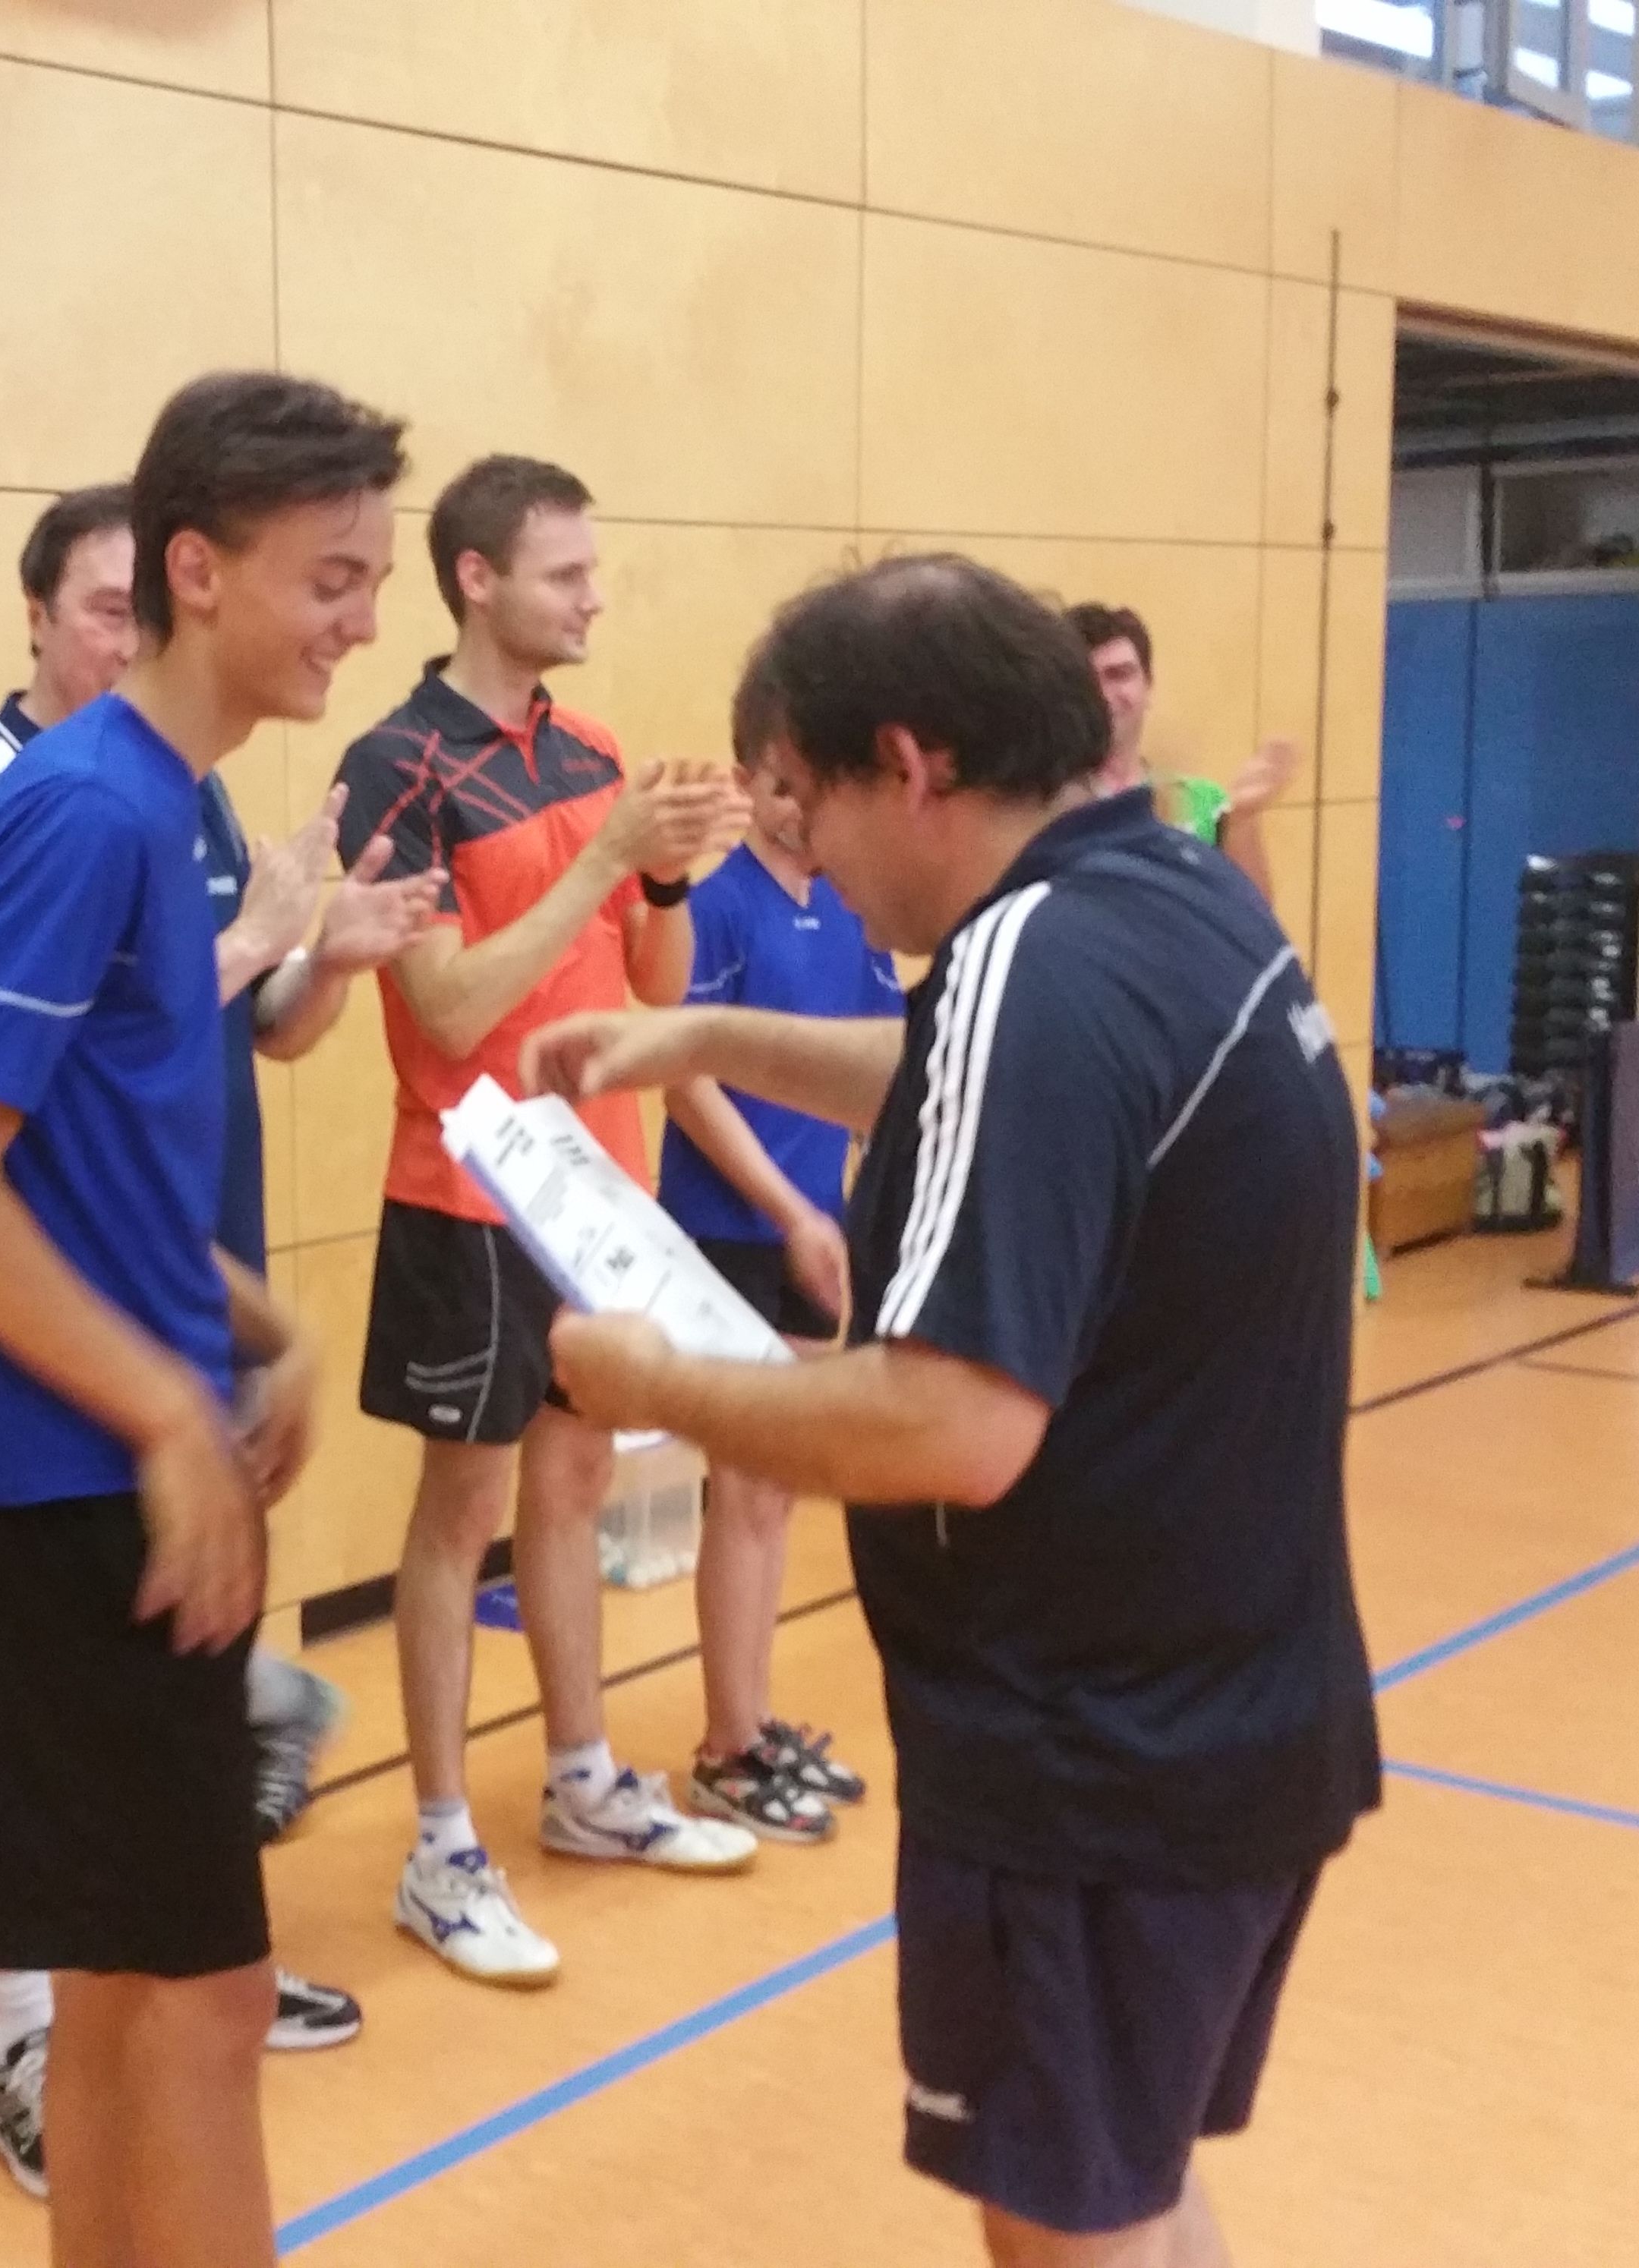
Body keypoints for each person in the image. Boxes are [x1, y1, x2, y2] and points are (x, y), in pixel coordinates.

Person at [522, 556, 1379, 2268]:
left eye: (806, 797)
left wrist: (653, 1388)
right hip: (1235, 1715)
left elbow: (950, 1427)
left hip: (1092, 1761)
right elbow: (975, 1094)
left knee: (1065, 2231)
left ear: (908, 765)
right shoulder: (1166, 891)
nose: (807, 847)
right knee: (1128, 2193)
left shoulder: (1032, 967)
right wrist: (699, 1035)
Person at [0, 482, 429, 2197]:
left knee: (159, 1994)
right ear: (196, 574)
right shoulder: (62, 804)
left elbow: (95, 1133)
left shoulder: (170, 799)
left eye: (371, 580)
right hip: (69, 1463)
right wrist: (164, 1415)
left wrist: (264, 1327)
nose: (357, 619)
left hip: (135, 1427)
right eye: (330, 578)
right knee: (184, 1997)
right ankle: (5, 2035)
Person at [332, 452, 758, 1991]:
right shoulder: (399, 765)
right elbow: (447, 1009)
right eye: (564, 573)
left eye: (592, 570)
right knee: (461, 1514)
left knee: (573, 1482)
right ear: (477, 579)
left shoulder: (592, 749)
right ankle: (440, 1845)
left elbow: (653, 986)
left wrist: (665, 880)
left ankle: (581, 1777)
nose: (593, 597)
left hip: (599, 1191)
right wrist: (602, 859)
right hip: (467, 1190)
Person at [650, 663, 903, 1844]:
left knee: (777, 1492)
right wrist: (787, 1208)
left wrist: (842, 1208)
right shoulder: (719, 906)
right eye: (783, 786)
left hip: (815, 1229)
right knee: (745, 1489)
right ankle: (724, 1748)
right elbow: (685, 1076)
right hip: (732, 1231)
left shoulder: (850, 907)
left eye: (817, 785)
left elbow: (880, 1057)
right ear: (748, 783)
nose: (801, 809)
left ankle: (751, 1722)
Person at [1069, 601, 1295, 903]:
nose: (1104, 695)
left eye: (1119, 675)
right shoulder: (1044, 807)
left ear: (1148, 686)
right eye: (1088, 680)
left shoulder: (1203, 803)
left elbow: (1251, 914)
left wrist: (1243, 821)